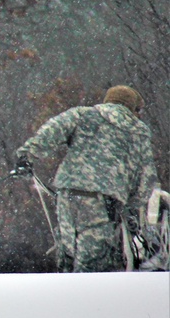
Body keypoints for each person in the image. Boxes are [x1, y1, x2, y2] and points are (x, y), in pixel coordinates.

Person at [13, 85, 158, 272]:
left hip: (67, 194)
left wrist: (26, 156)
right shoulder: (138, 131)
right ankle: (88, 297)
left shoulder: (82, 115)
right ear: (133, 108)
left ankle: (64, 292)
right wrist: (131, 205)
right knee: (94, 263)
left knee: (67, 253)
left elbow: (52, 130)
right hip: (103, 202)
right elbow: (146, 178)